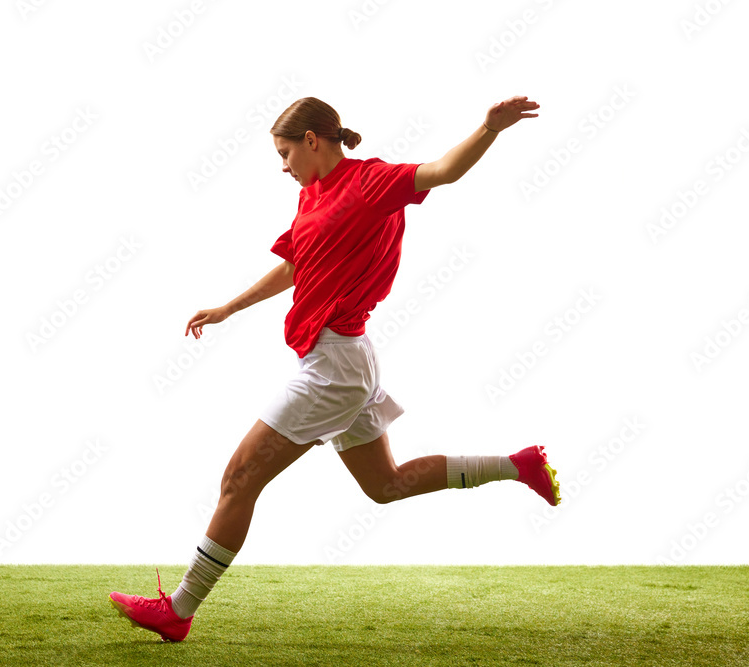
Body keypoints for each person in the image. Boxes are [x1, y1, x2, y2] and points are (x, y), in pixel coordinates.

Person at [110, 95, 559, 642]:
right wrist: (228, 307)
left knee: (239, 478)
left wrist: (489, 128)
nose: (282, 165)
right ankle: (518, 465)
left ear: (312, 141)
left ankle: (178, 611)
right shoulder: (309, 197)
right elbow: (295, 266)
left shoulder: (371, 182)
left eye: (285, 152)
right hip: (347, 358)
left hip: (335, 366)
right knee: (386, 485)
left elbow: (444, 171)